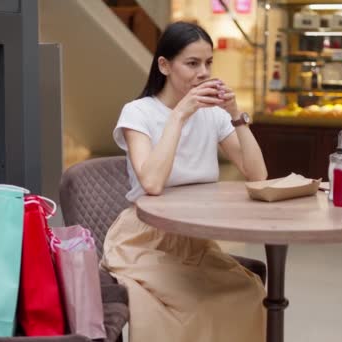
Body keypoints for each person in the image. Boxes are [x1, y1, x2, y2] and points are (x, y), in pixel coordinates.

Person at [100, 21, 268, 342]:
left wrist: (235, 114)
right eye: (192, 63)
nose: (203, 73)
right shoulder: (138, 113)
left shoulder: (214, 115)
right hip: (143, 242)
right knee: (187, 307)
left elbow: (257, 175)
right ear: (164, 65)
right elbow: (152, 183)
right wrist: (179, 114)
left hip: (194, 240)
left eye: (208, 63)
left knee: (249, 292)